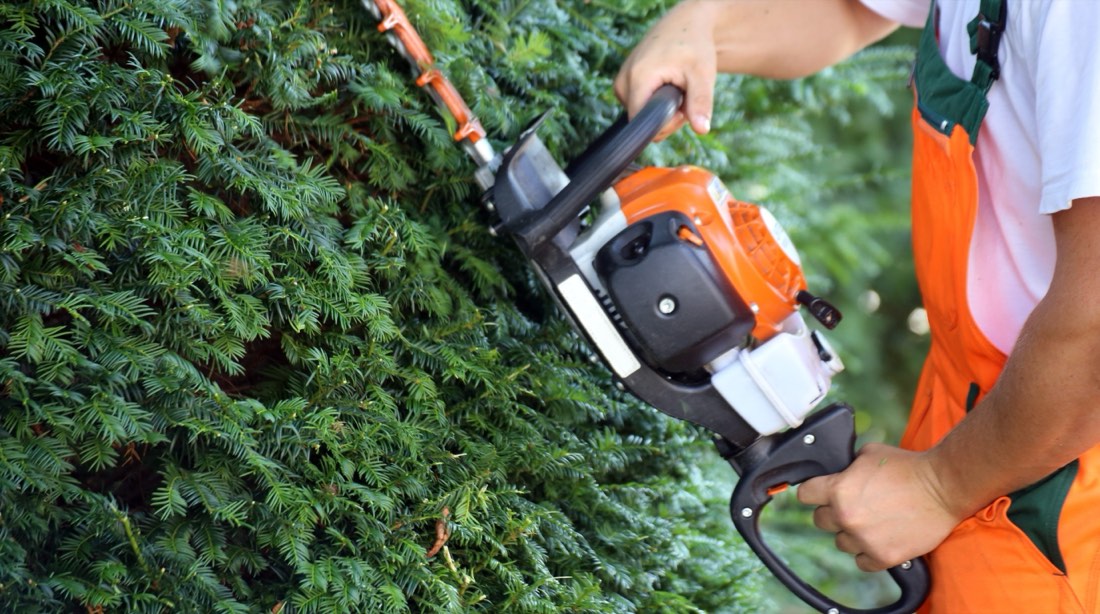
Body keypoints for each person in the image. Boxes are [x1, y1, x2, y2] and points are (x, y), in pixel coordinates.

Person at [615, 0, 1100, 611]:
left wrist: (944, 484)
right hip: (978, 419)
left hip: (1060, 462)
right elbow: (847, 9)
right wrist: (702, 27)